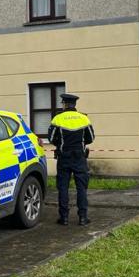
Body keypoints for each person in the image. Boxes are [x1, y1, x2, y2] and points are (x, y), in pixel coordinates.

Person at [48, 93, 95, 226]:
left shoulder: (57, 119)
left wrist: (61, 144)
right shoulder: (84, 118)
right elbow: (91, 138)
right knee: (81, 188)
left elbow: (51, 138)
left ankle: (64, 218)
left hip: (64, 157)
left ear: (64, 104)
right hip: (80, 157)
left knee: (63, 187)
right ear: (74, 105)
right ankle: (83, 218)